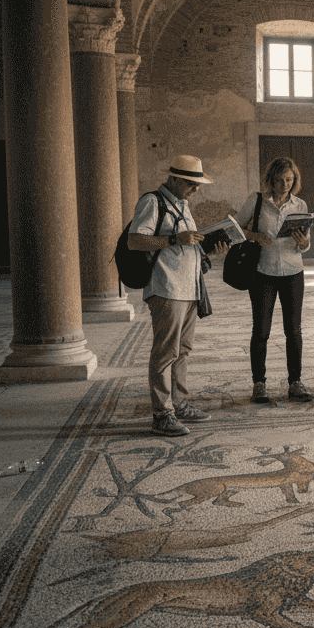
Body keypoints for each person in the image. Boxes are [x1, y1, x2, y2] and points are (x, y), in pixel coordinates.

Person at [128, 155, 230, 436]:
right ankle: (161, 415)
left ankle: (181, 404)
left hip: (188, 288)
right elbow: (135, 240)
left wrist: (209, 249)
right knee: (165, 352)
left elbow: (187, 248)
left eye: (198, 185)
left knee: (182, 351)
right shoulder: (152, 201)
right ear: (173, 179)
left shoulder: (183, 205)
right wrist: (174, 239)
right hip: (166, 287)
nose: (196, 190)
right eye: (190, 184)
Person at [235, 157, 313, 404]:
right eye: (279, 180)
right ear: (271, 180)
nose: (284, 185)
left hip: (293, 271)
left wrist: (304, 243)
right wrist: (255, 235)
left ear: (295, 180)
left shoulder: (300, 204)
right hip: (263, 272)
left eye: (289, 180)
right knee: (261, 330)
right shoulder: (257, 201)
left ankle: (295, 383)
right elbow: (235, 228)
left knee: (294, 330)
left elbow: (305, 244)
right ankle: (259, 384)